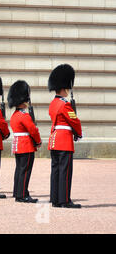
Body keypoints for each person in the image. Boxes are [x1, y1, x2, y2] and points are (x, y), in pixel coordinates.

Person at [48, 64, 82, 209]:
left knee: (56, 170)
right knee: (65, 171)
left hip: (54, 139)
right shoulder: (65, 105)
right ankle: (65, 200)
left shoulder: (53, 104)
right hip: (64, 140)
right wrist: (78, 133)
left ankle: (55, 198)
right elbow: (74, 121)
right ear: (64, 88)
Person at [8, 80, 41, 203]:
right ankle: (22, 195)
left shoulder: (14, 115)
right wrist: (37, 142)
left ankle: (18, 192)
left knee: (19, 170)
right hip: (26, 145)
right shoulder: (24, 116)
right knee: (25, 170)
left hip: (18, 145)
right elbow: (33, 130)